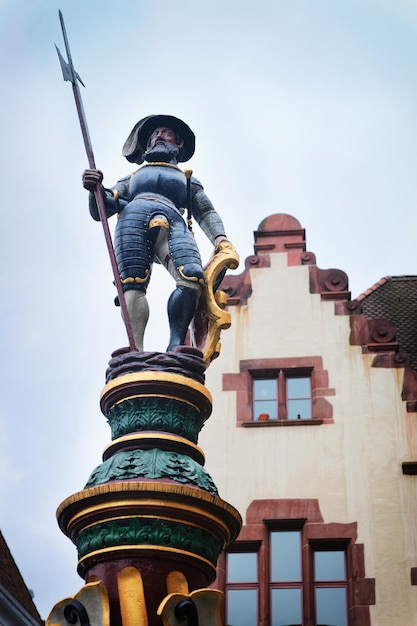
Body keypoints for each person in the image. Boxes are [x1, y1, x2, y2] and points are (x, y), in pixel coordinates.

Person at [82, 114, 229, 352]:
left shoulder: (187, 179)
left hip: (173, 219)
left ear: (178, 143)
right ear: (148, 144)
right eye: (154, 135)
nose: (158, 137)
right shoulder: (131, 178)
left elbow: (206, 211)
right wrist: (94, 188)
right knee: (132, 283)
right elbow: (102, 208)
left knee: (191, 277)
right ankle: (135, 350)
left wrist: (220, 237)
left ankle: (176, 346)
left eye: (165, 133)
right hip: (133, 217)